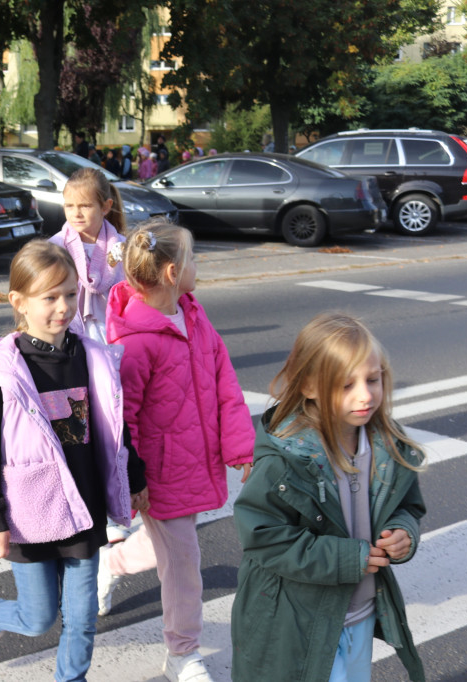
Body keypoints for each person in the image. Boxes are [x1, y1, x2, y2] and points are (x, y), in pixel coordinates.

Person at [0, 240, 148, 678]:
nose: (62, 306)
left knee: (81, 620)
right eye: (49, 297)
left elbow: (114, 428)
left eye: (69, 294)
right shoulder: (4, 369)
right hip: (31, 512)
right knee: (38, 618)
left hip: (84, 509)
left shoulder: (92, 358)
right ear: (19, 303)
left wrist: (134, 476)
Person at [231, 312, 427, 682]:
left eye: (373, 379)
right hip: (299, 621)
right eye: (345, 385)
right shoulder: (285, 458)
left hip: (359, 613)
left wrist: (404, 533)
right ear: (309, 386)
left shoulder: (386, 443)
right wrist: (345, 558)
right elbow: (262, 537)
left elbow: (406, 506)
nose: (365, 395)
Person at [102, 221, 254, 682]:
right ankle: (182, 653)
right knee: (185, 565)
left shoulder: (193, 313)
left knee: (171, 544)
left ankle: (111, 563)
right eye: (193, 259)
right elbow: (120, 421)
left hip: (195, 459)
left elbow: (223, 376)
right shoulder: (134, 343)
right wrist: (134, 481)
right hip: (159, 472)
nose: (198, 267)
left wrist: (241, 443)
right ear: (172, 272)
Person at [47, 167, 127, 344]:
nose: (76, 213)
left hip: (114, 336)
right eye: (69, 206)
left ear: (105, 207)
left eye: (85, 205)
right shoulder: (54, 248)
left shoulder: (122, 247)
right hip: (67, 337)